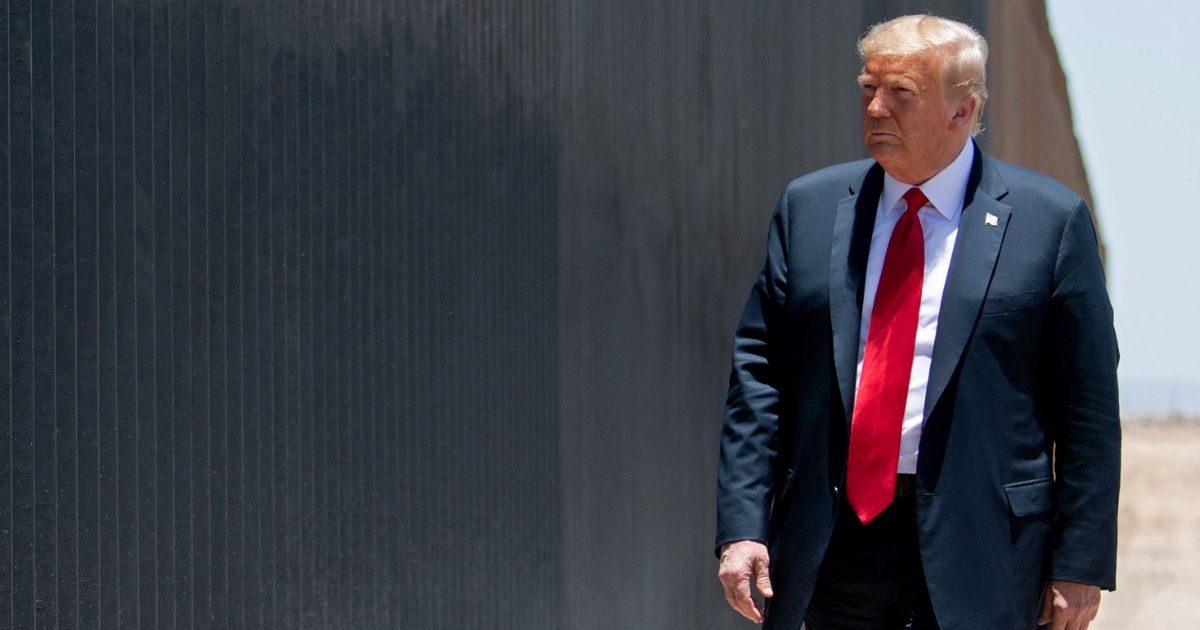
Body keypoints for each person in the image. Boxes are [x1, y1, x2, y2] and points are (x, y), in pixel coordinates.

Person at [714, 14, 1119, 630]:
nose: (875, 108)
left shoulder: (1049, 223)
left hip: (983, 550)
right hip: (830, 545)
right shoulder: (811, 208)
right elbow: (758, 377)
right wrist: (742, 528)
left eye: (900, 93)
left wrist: (1080, 562)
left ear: (963, 109)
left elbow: (1087, 407)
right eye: (868, 89)